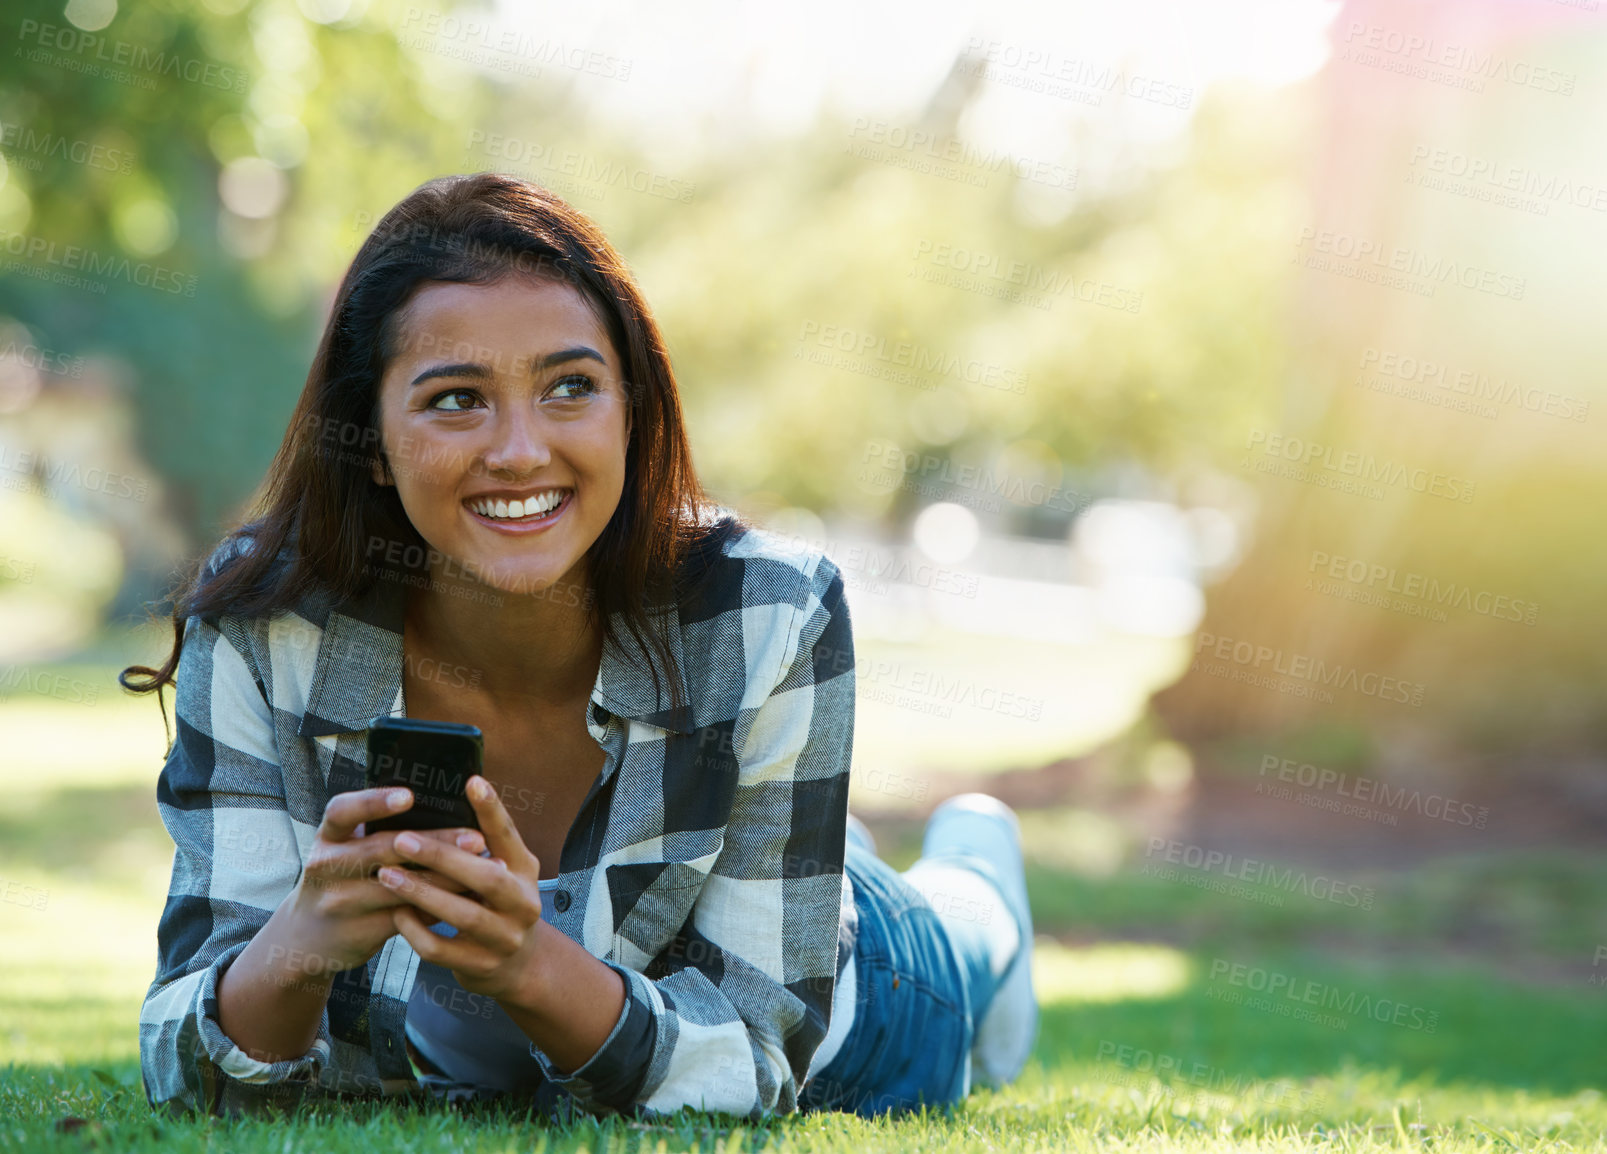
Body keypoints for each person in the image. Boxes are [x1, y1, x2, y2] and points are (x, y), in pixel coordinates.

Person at [122, 171, 1037, 1122]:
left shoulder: (765, 609)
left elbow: (759, 1060)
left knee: (968, 939)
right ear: (371, 439)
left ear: (631, 411)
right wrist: (300, 944)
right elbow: (185, 1054)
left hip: (865, 997)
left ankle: (977, 873)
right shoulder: (268, 622)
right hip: (703, 913)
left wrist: (529, 965)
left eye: (570, 387)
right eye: (454, 400)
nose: (520, 451)